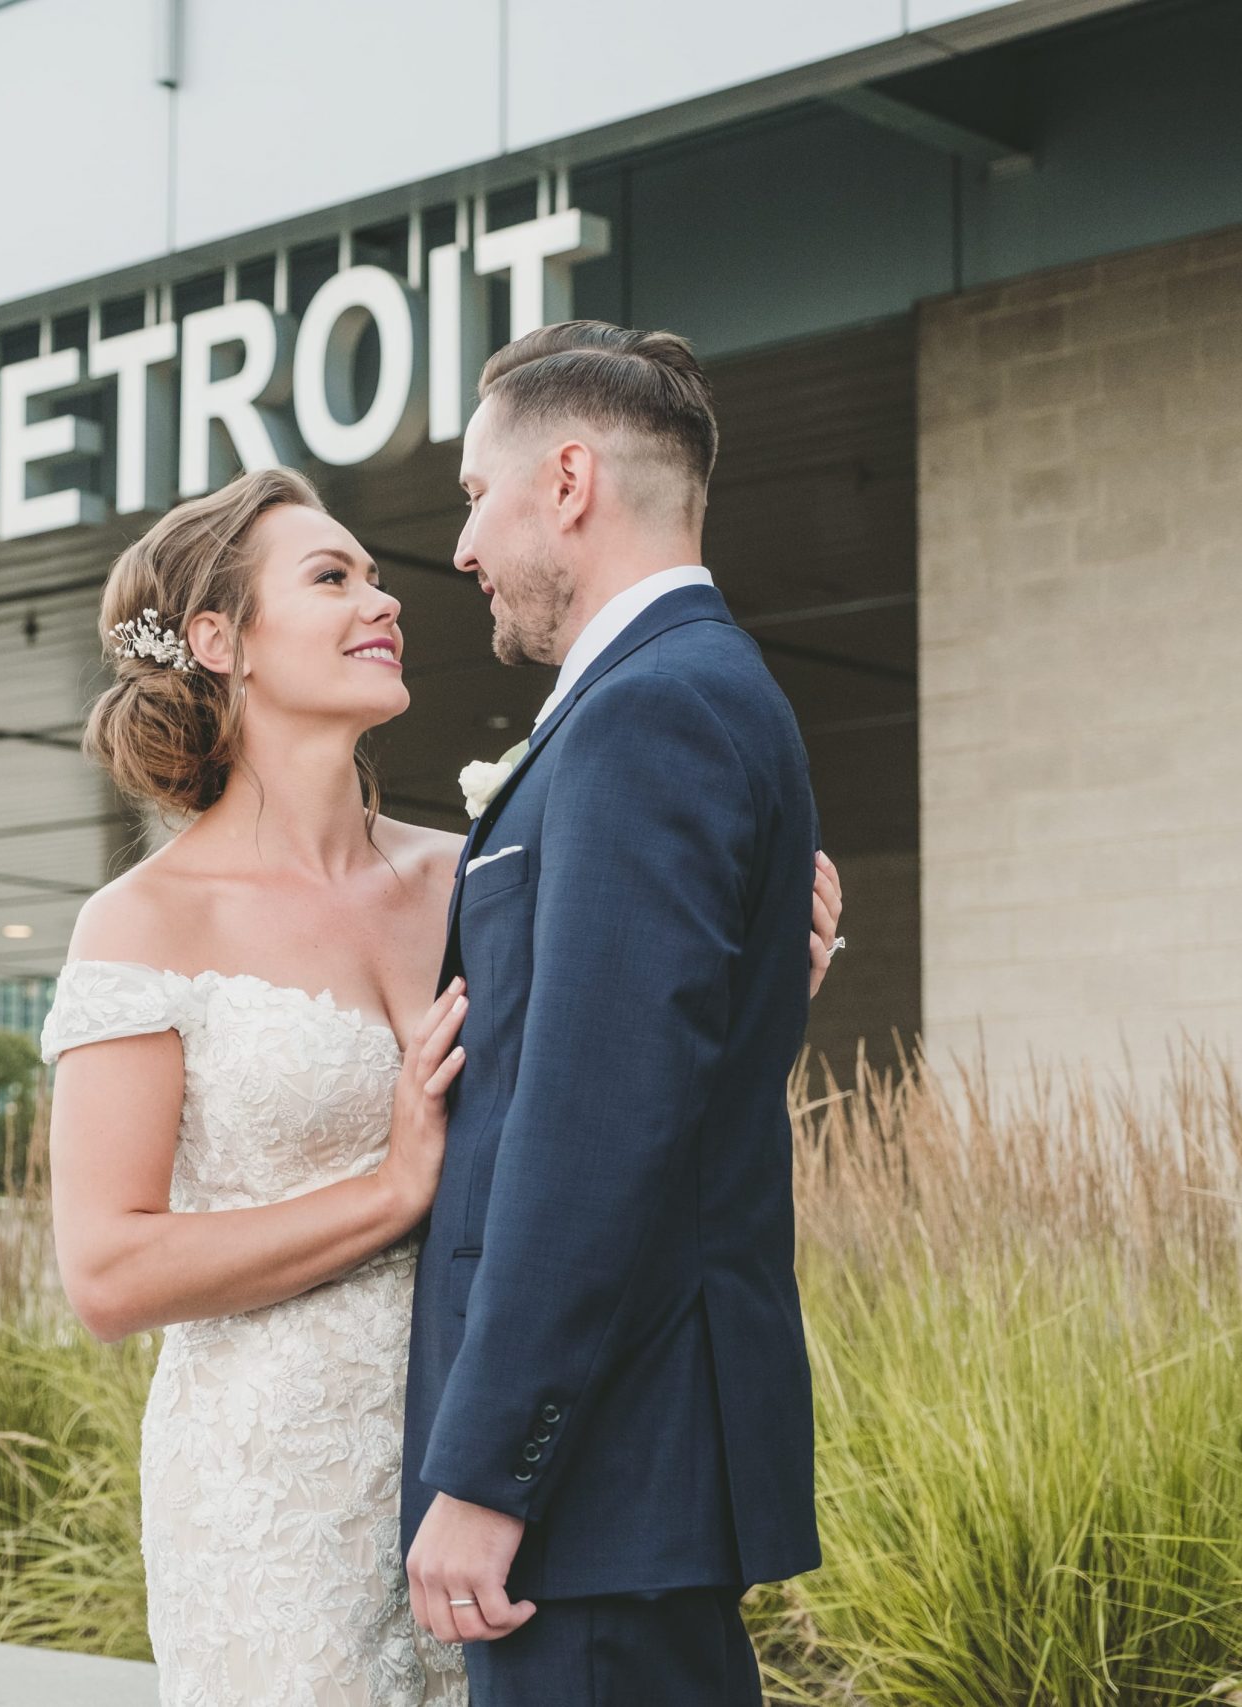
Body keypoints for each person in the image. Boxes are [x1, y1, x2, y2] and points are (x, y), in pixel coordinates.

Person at [42, 400, 841, 1701]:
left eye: (375, 571)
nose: (387, 597)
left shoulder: (468, 870)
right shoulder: (143, 923)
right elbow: (109, 1269)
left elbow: (605, 1095)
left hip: (495, 1446)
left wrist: (753, 984)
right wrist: (389, 1191)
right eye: (331, 576)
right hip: (278, 1479)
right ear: (216, 641)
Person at [400, 321, 824, 1704]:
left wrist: (489, 1473)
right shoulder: (687, 695)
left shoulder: (654, 715)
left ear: (567, 480)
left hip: (595, 1489)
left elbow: (596, 1131)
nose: (462, 548)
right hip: (624, 1484)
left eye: (475, 495)